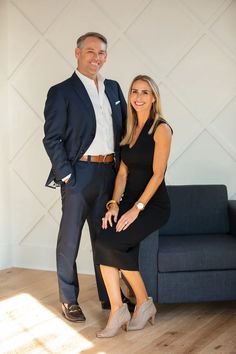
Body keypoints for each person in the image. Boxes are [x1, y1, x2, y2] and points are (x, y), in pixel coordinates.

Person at [43, 32, 128, 322]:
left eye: (102, 52)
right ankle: (69, 299)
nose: (96, 57)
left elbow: (124, 133)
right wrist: (66, 175)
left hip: (109, 172)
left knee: (105, 237)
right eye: (90, 51)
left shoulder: (114, 89)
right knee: (70, 239)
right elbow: (52, 138)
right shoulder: (62, 91)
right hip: (78, 173)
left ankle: (110, 296)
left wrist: (124, 170)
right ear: (77, 53)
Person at [94, 74, 173, 338]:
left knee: (113, 243)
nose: (138, 97)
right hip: (128, 201)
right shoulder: (128, 128)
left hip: (152, 204)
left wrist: (135, 209)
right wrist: (114, 205)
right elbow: (123, 174)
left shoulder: (161, 128)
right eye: (134, 92)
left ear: (154, 98)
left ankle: (142, 303)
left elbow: (158, 175)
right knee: (103, 240)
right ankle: (120, 309)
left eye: (145, 92)